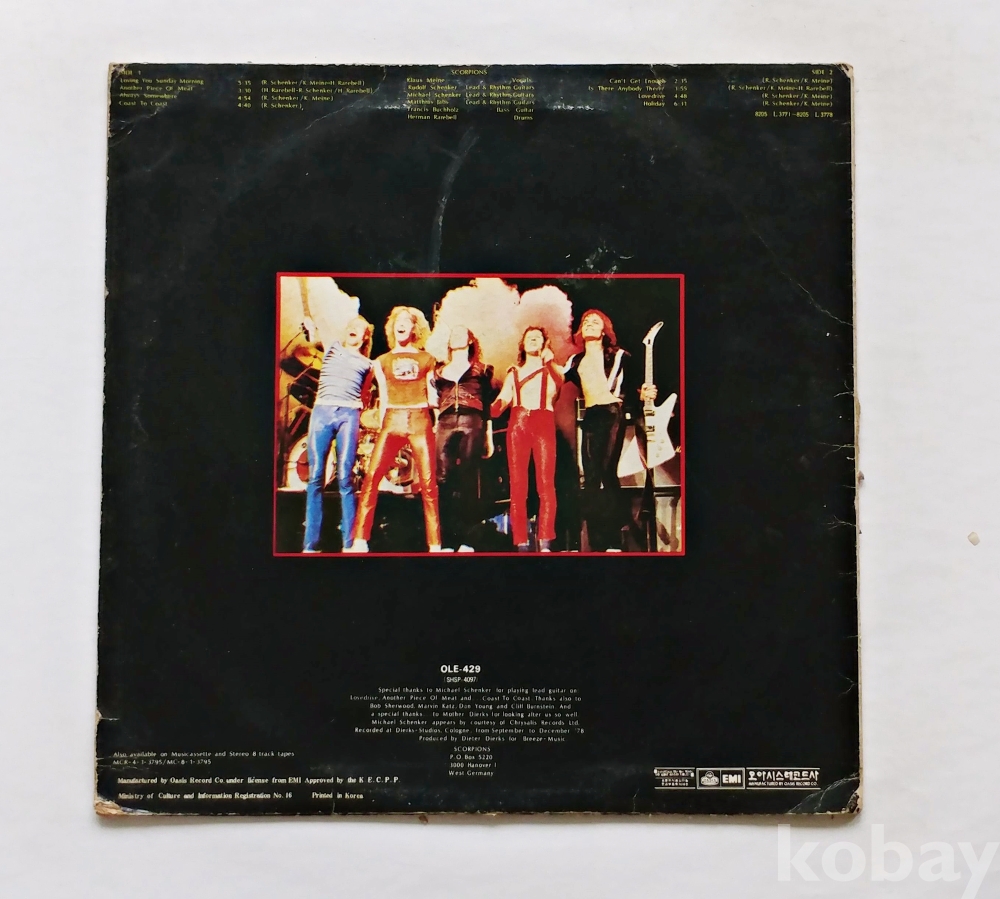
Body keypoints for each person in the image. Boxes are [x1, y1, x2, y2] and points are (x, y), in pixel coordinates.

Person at [348, 307, 442, 553]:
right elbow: (384, 396)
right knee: (371, 477)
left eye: (406, 321)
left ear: (414, 328)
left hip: (420, 418)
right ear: (392, 327)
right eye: (397, 321)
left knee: (428, 483)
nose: (401, 324)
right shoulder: (381, 361)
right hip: (392, 419)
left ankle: (435, 544)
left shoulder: (427, 359)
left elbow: (432, 394)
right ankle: (360, 540)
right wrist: (381, 424)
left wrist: (438, 413)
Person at [563, 310, 657, 551]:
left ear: (604, 331)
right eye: (585, 322)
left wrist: (644, 393)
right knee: (590, 479)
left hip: (612, 412)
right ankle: (597, 543)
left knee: (607, 472)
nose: (589, 324)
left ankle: (615, 539)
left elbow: (638, 385)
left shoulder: (619, 355)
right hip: (591, 416)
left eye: (595, 322)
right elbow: (554, 379)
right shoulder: (574, 361)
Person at [300, 315, 374, 553]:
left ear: (365, 337)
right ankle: (310, 545)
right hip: (322, 412)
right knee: (315, 476)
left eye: (359, 328)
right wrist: (310, 324)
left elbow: (365, 394)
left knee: (345, 477)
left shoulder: (368, 364)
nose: (354, 329)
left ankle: (349, 543)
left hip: (348, 415)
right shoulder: (332, 346)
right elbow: (314, 336)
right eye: (351, 326)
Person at [491, 327, 564, 552]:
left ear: (544, 343)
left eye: (538, 337)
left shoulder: (553, 369)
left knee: (546, 485)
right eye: (529, 337)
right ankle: (521, 541)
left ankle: (545, 541)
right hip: (518, 424)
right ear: (522, 345)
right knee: (517, 487)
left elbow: (559, 385)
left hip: (543, 423)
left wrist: (550, 362)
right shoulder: (513, 373)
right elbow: (503, 400)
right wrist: (484, 406)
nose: (533, 340)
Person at [434, 327, 495, 552]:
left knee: (469, 477)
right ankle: (448, 540)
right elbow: (434, 402)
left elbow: (487, 406)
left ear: (470, 340)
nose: (457, 336)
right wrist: (435, 424)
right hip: (445, 421)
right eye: (454, 334)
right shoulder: (438, 372)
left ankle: (468, 540)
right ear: (449, 342)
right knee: (443, 479)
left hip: (472, 420)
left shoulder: (482, 370)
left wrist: (488, 434)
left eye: (462, 333)